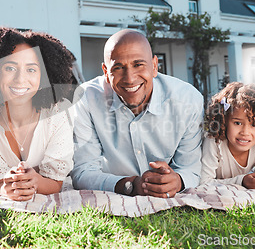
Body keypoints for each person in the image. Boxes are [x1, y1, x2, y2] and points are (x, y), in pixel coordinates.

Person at [71, 29, 204, 198]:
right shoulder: (85, 99)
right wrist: (130, 185)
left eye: (138, 65)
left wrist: (177, 181)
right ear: (106, 72)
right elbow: (83, 172)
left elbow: (191, 170)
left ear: (154, 66)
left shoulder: (188, 99)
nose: (130, 78)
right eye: (118, 67)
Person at [0, 27, 76, 201]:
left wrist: (35, 182)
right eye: (10, 68)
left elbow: (56, 182)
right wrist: (7, 188)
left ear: (44, 76)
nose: (20, 79)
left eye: (31, 69)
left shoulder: (58, 112)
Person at [200, 82, 255, 189]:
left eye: (254, 124)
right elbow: (203, 182)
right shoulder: (214, 142)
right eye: (237, 123)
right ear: (224, 121)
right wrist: (241, 182)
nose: (245, 132)